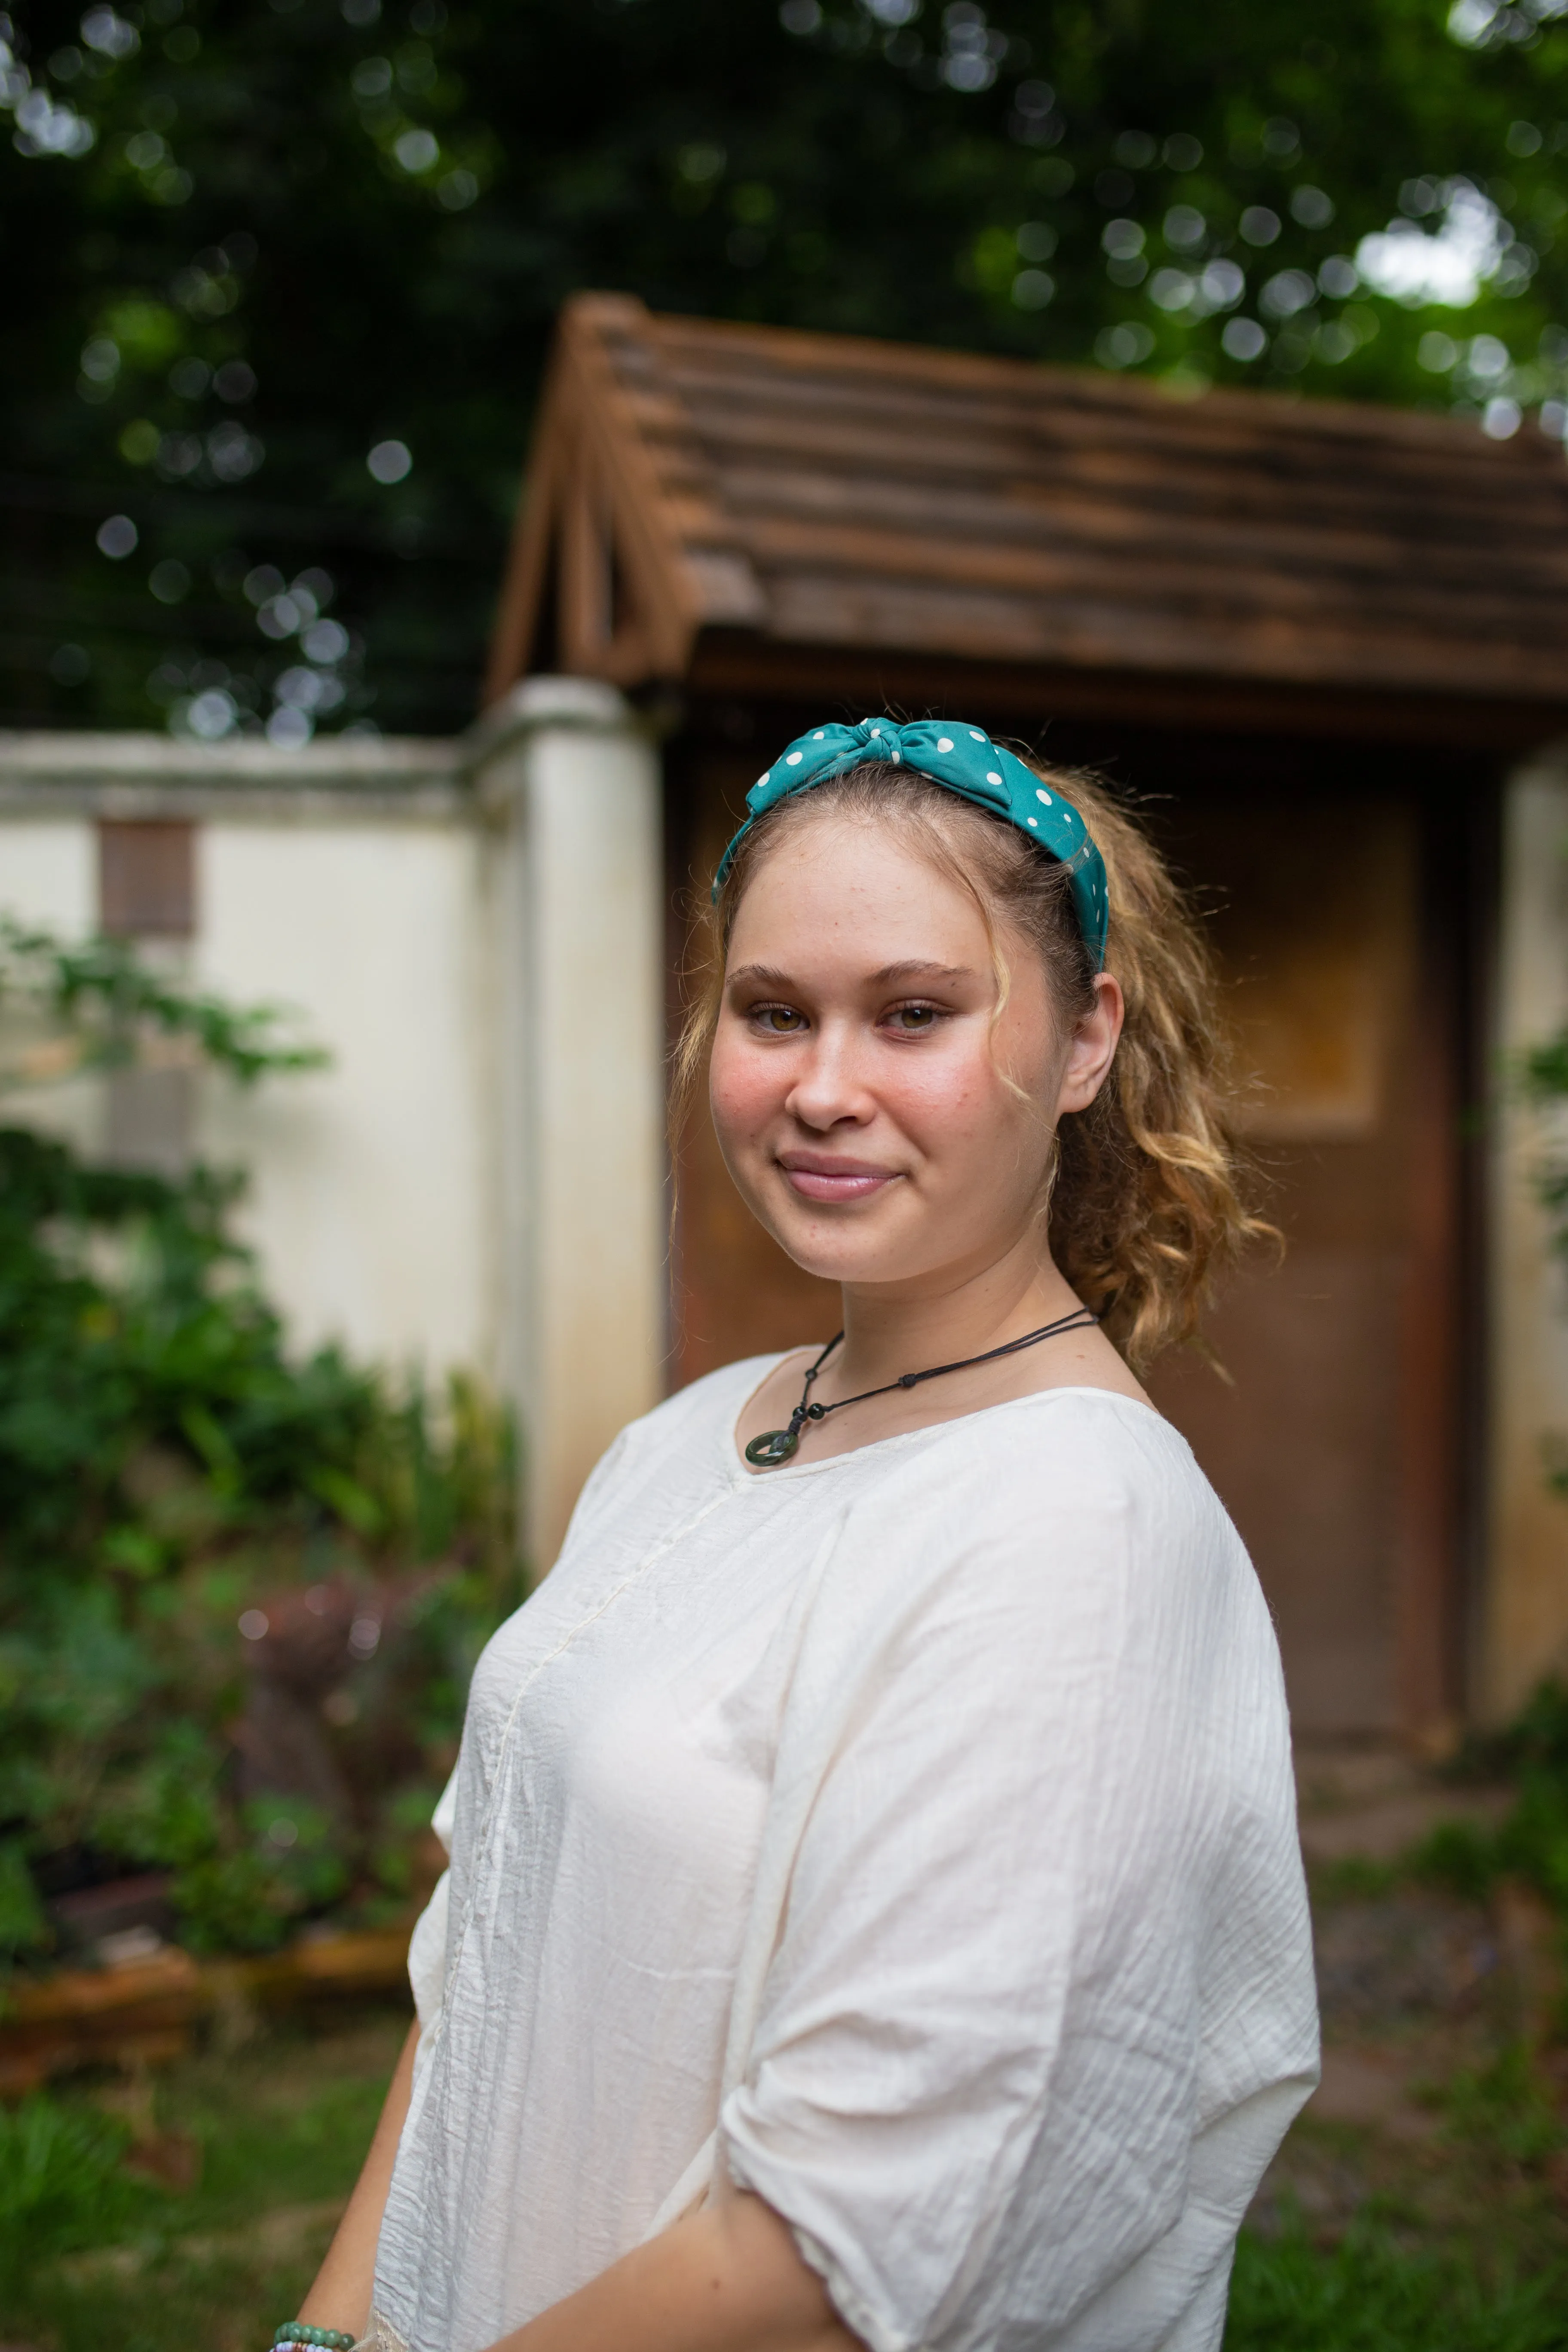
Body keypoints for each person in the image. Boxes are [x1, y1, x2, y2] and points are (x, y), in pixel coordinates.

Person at [282, 716, 1318, 2352]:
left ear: (1084, 1040)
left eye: (914, 1013)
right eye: (776, 1013)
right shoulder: (685, 1440)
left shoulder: (1077, 1534)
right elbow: (479, 1962)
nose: (824, 1089)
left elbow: (859, 2252)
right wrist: (333, 2332)